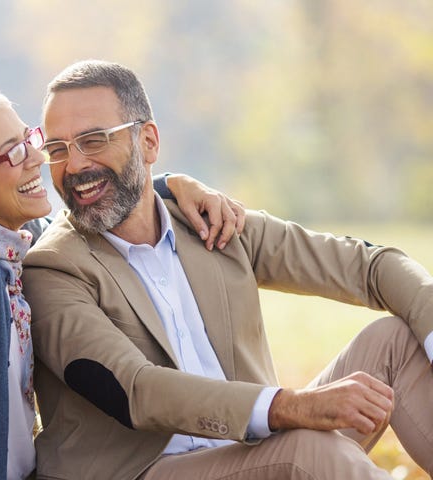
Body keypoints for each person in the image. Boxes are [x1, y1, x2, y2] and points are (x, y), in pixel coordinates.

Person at [22, 59, 433, 480]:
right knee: (305, 450)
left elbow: (369, 266)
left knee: (396, 342)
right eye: (57, 149)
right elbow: (137, 390)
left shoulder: (213, 221)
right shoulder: (52, 268)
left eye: (93, 140)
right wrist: (292, 407)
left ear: (148, 142)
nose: (72, 166)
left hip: (252, 450)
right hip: (143, 471)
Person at [0, 85, 244, 480]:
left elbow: (80, 218)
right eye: (14, 152)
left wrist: (168, 185)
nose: (38, 157)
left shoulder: (16, 244)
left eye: (30, 138)